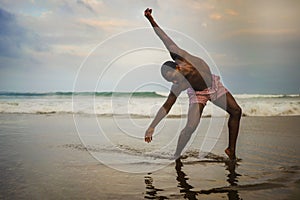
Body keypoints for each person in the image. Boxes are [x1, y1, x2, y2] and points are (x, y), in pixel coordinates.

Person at [143, 8, 242, 160]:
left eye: (173, 77)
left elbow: (163, 37)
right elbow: (166, 106)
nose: (174, 82)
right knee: (191, 127)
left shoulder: (181, 57)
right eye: (170, 81)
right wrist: (152, 126)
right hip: (198, 94)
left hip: (213, 86)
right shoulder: (178, 85)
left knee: (236, 111)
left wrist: (151, 19)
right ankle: (177, 155)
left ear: (177, 67)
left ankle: (231, 151)